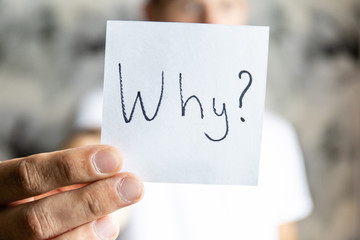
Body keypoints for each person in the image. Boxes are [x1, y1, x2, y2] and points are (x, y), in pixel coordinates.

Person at [68, 1, 313, 240]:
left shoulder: (277, 134)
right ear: (151, 15)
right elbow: (90, 157)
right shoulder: (111, 108)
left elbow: (285, 232)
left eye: (227, 6)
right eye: (190, 6)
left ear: (245, 13)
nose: (212, 23)